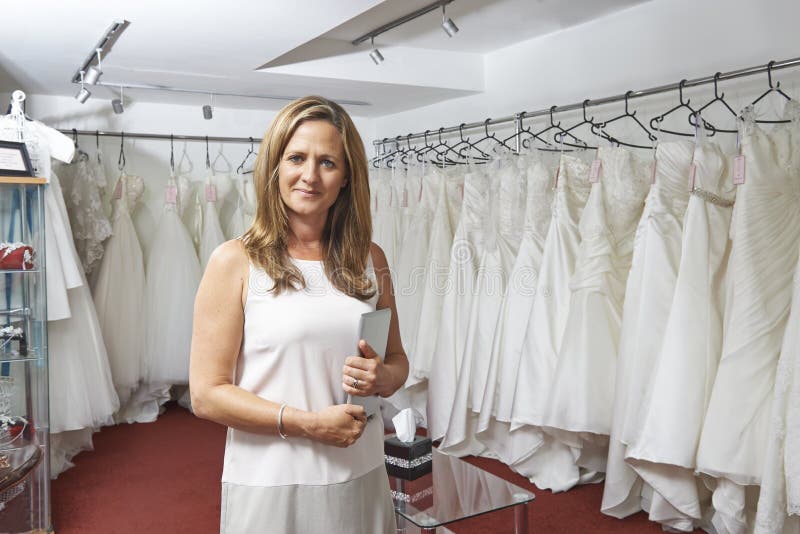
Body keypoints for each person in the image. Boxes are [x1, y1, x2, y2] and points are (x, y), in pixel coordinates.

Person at [189, 95, 408, 533]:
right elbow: (207, 395)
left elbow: (398, 361)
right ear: (275, 166)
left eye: (327, 162)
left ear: (347, 177)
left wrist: (383, 377)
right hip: (272, 479)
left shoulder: (370, 258)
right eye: (296, 158)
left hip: (360, 470)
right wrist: (308, 425)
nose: (310, 175)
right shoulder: (234, 261)